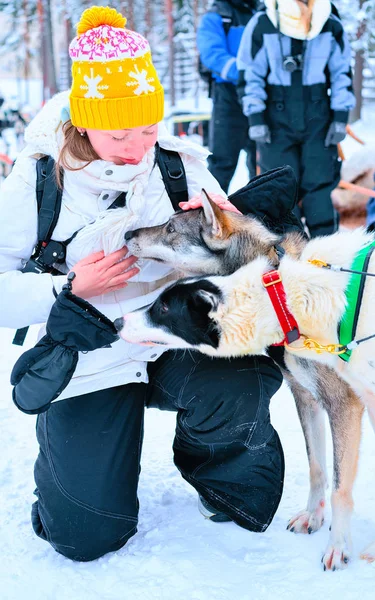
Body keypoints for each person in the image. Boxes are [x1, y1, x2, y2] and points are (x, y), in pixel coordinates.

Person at [0, 6, 284, 562]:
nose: (138, 146)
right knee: (86, 537)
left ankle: (222, 480)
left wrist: (238, 232)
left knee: (245, 372)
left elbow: (227, 254)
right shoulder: (36, 183)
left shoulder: (177, 165)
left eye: (150, 128)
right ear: (83, 122)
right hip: (91, 355)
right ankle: (71, 486)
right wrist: (68, 289)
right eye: (119, 132)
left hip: (172, 336)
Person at [237, 0, 356, 237]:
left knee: (320, 186)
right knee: (281, 189)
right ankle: (288, 253)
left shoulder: (329, 23)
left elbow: (342, 72)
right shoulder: (263, 23)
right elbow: (250, 73)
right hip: (275, 120)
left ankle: (325, 252)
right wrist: (256, 117)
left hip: (319, 118)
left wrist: (341, 116)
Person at [197, 0, 258, 193]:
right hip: (228, 97)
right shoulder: (217, 16)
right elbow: (212, 54)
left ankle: (262, 216)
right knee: (222, 163)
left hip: (262, 95)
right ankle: (210, 215)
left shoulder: (262, 12)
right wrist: (247, 72)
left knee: (262, 163)